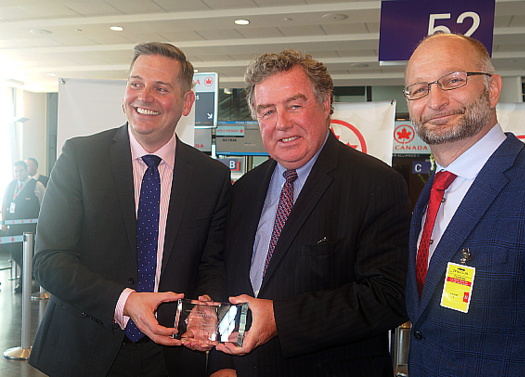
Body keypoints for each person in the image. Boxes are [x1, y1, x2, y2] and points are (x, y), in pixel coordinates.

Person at [29, 42, 231, 377]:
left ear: (187, 102)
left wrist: (205, 306)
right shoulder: (80, 158)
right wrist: (126, 302)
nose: (144, 97)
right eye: (136, 83)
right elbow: (50, 261)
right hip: (83, 352)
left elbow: (212, 263)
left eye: (161, 88)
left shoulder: (212, 176)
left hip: (171, 356)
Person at [207, 50, 411, 377]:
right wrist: (222, 364)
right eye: (267, 111)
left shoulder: (376, 184)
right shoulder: (243, 190)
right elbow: (227, 283)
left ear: (326, 103)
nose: (282, 123)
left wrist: (279, 320)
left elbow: (387, 297)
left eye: (294, 105)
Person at [404, 33, 525, 376]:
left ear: (492, 89)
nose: (435, 100)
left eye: (453, 80)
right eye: (419, 89)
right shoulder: (432, 192)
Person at [1, 160, 45, 292]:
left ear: (26, 171)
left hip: (29, 228)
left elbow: (44, 205)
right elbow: (4, 203)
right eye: (16, 171)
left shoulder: (37, 185)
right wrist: (3, 221)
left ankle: (23, 282)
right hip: (13, 227)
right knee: (15, 252)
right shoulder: (11, 185)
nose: (18, 173)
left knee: (27, 254)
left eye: (21, 170)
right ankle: (28, 274)